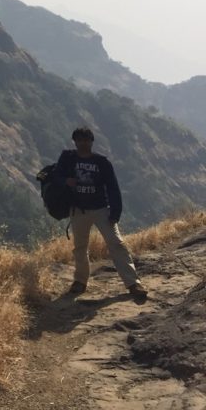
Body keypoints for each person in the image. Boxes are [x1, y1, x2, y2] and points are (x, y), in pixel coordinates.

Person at [55, 127, 147, 301]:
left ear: (91, 141)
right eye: (79, 140)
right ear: (75, 141)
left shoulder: (102, 162)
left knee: (117, 243)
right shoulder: (67, 159)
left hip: (101, 209)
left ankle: (133, 283)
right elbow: (56, 177)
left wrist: (115, 212)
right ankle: (80, 281)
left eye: (86, 140)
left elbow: (113, 187)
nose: (83, 143)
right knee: (80, 247)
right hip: (78, 210)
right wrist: (66, 180)